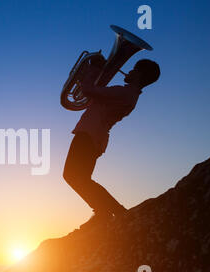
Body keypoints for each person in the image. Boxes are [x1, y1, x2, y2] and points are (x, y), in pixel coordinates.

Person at [62, 59, 160, 229]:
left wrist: (94, 69)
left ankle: (113, 211)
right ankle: (105, 211)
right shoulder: (127, 94)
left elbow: (88, 90)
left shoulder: (124, 93)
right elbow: (94, 96)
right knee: (79, 177)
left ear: (140, 76)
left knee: (74, 176)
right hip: (93, 135)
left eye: (134, 70)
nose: (129, 71)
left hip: (89, 134)